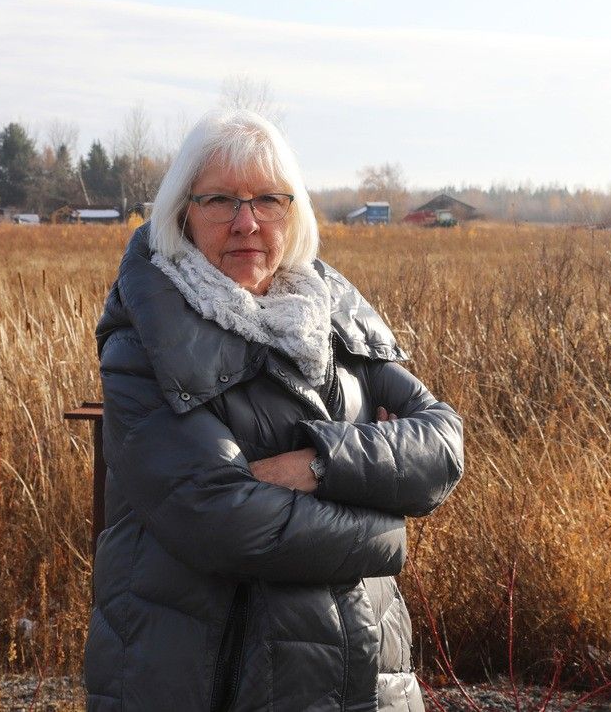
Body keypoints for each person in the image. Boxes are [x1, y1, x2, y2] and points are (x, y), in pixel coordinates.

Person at [84, 109, 464, 712]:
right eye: (220, 201)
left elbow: (442, 443)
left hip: (366, 673)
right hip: (212, 678)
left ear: (296, 211)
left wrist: (317, 465)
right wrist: (386, 529)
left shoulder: (333, 320)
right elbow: (222, 519)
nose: (247, 222)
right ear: (183, 212)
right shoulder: (144, 346)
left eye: (269, 199)